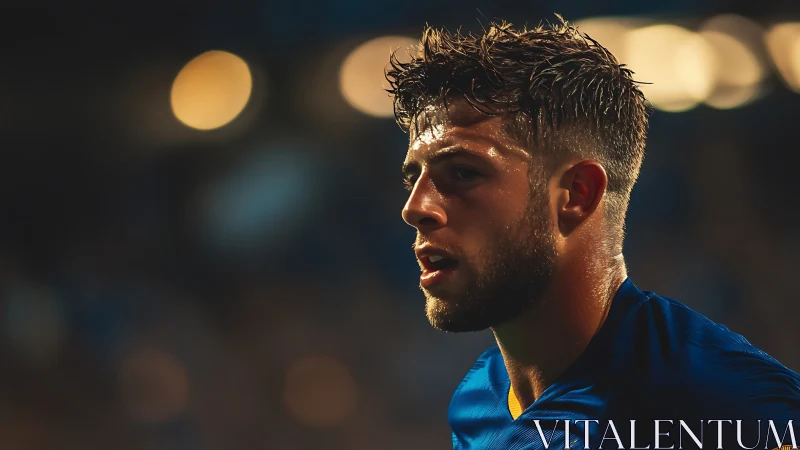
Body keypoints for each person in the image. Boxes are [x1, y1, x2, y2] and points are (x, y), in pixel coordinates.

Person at [387, 17, 800, 450]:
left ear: (577, 194)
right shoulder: (477, 402)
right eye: (413, 178)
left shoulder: (739, 410)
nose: (415, 208)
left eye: (463, 173)